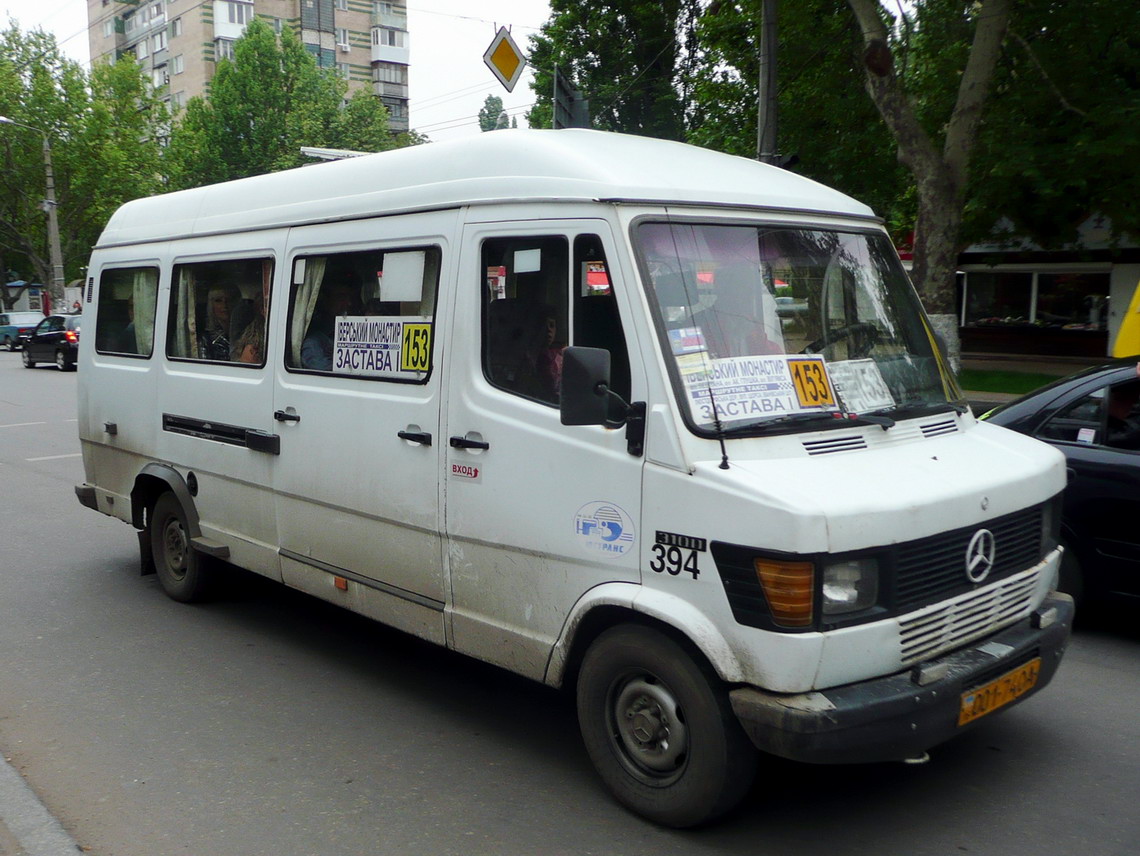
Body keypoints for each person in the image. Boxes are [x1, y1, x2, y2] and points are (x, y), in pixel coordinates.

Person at [302, 283, 355, 370]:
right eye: (341, 297)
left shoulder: (351, 333)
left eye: (351, 298)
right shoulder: (313, 341)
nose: (349, 303)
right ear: (326, 300)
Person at [198, 286, 233, 361]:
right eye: (218, 301)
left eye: (228, 300)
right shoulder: (206, 339)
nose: (224, 305)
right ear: (211, 306)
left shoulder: (245, 335)